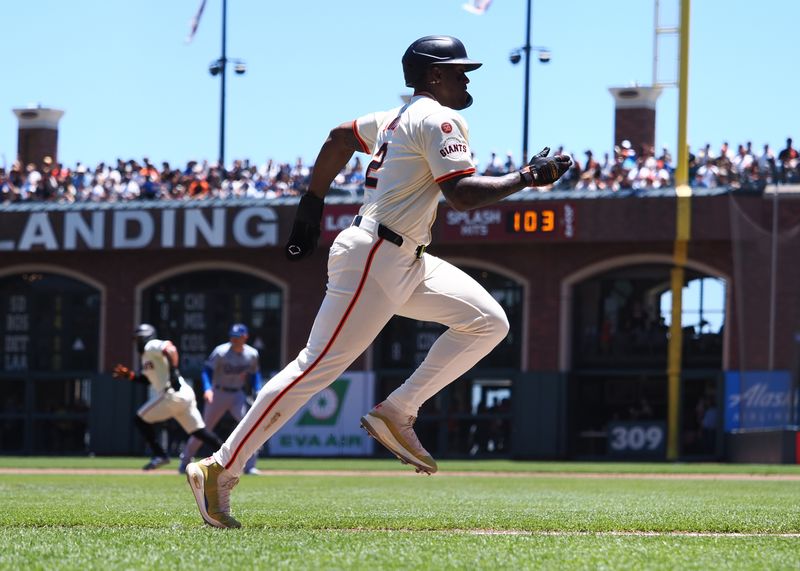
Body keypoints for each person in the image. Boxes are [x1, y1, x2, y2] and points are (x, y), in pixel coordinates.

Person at [185, 34, 571, 528]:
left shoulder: (392, 118)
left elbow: (339, 137)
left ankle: (398, 410)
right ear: (433, 75)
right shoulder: (440, 117)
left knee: (487, 322)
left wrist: (311, 205)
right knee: (315, 367)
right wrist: (526, 177)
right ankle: (221, 468)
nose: (467, 77)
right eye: (458, 70)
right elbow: (463, 196)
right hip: (377, 254)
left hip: (404, 256)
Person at [113, 323, 223, 470]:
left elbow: (170, 348)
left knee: (139, 419)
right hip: (183, 395)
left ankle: (160, 455)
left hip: (171, 394)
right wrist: (130, 375)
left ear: (147, 337)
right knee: (199, 432)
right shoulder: (146, 357)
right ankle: (229, 455)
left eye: (139, 338)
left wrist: (173, 371)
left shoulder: (150, 345)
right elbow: (147, 379)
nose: (137, 342)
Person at [178, 324, 263, 475]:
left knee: (250, 426)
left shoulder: (252, 354)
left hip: (237, 394)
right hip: (218, 393)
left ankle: (250, 466)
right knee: (202, 429)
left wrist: (257, 389)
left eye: (237, 337)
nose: (234, 339)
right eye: (232, 336)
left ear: (245, 337)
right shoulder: (221, 351)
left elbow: (255, 373)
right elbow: (206, 371)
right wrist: (207, 389)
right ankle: (185, 461)